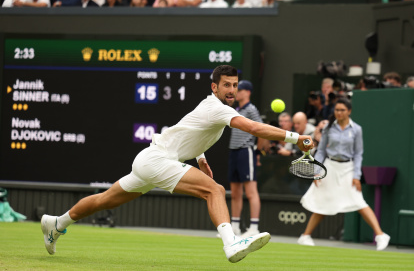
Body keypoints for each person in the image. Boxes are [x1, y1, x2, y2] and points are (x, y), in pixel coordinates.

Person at [41, 65, 314, 263]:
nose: (232, 90)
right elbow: (253, 127)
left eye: (235, 85)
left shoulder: (214, 109)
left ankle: (56, 223)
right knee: (215, 191)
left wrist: (202, 159)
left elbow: (191, 133)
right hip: (159, 160)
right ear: (214, 87)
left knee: (106, 200)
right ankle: (231, 244)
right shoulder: (217, 108)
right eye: (227, 85)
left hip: (149, 160)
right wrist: (295, 137)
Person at [297, 98, 390, 251]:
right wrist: (316, 170)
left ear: (349, 111)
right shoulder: (328, 128)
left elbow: (359, 154)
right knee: (322, 202)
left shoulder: (356, 129)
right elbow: (321, 150)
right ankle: (305, 236)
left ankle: (380, 235)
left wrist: (356, 175)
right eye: (337, 110)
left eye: (342, 110)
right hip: (329, 167)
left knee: (359, 202)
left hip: (348, 168)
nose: (339, 113)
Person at [227, 80, 265, 238]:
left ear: (248, 92)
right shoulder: (237, 109)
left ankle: (254, 228)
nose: (237, 92)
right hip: (234, 151)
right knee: (235, 192)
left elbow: (262, 130)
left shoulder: (251, 109)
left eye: (240, 89)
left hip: (246, 151)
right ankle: (235, 227)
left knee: (251, 192)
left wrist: (257, 152)